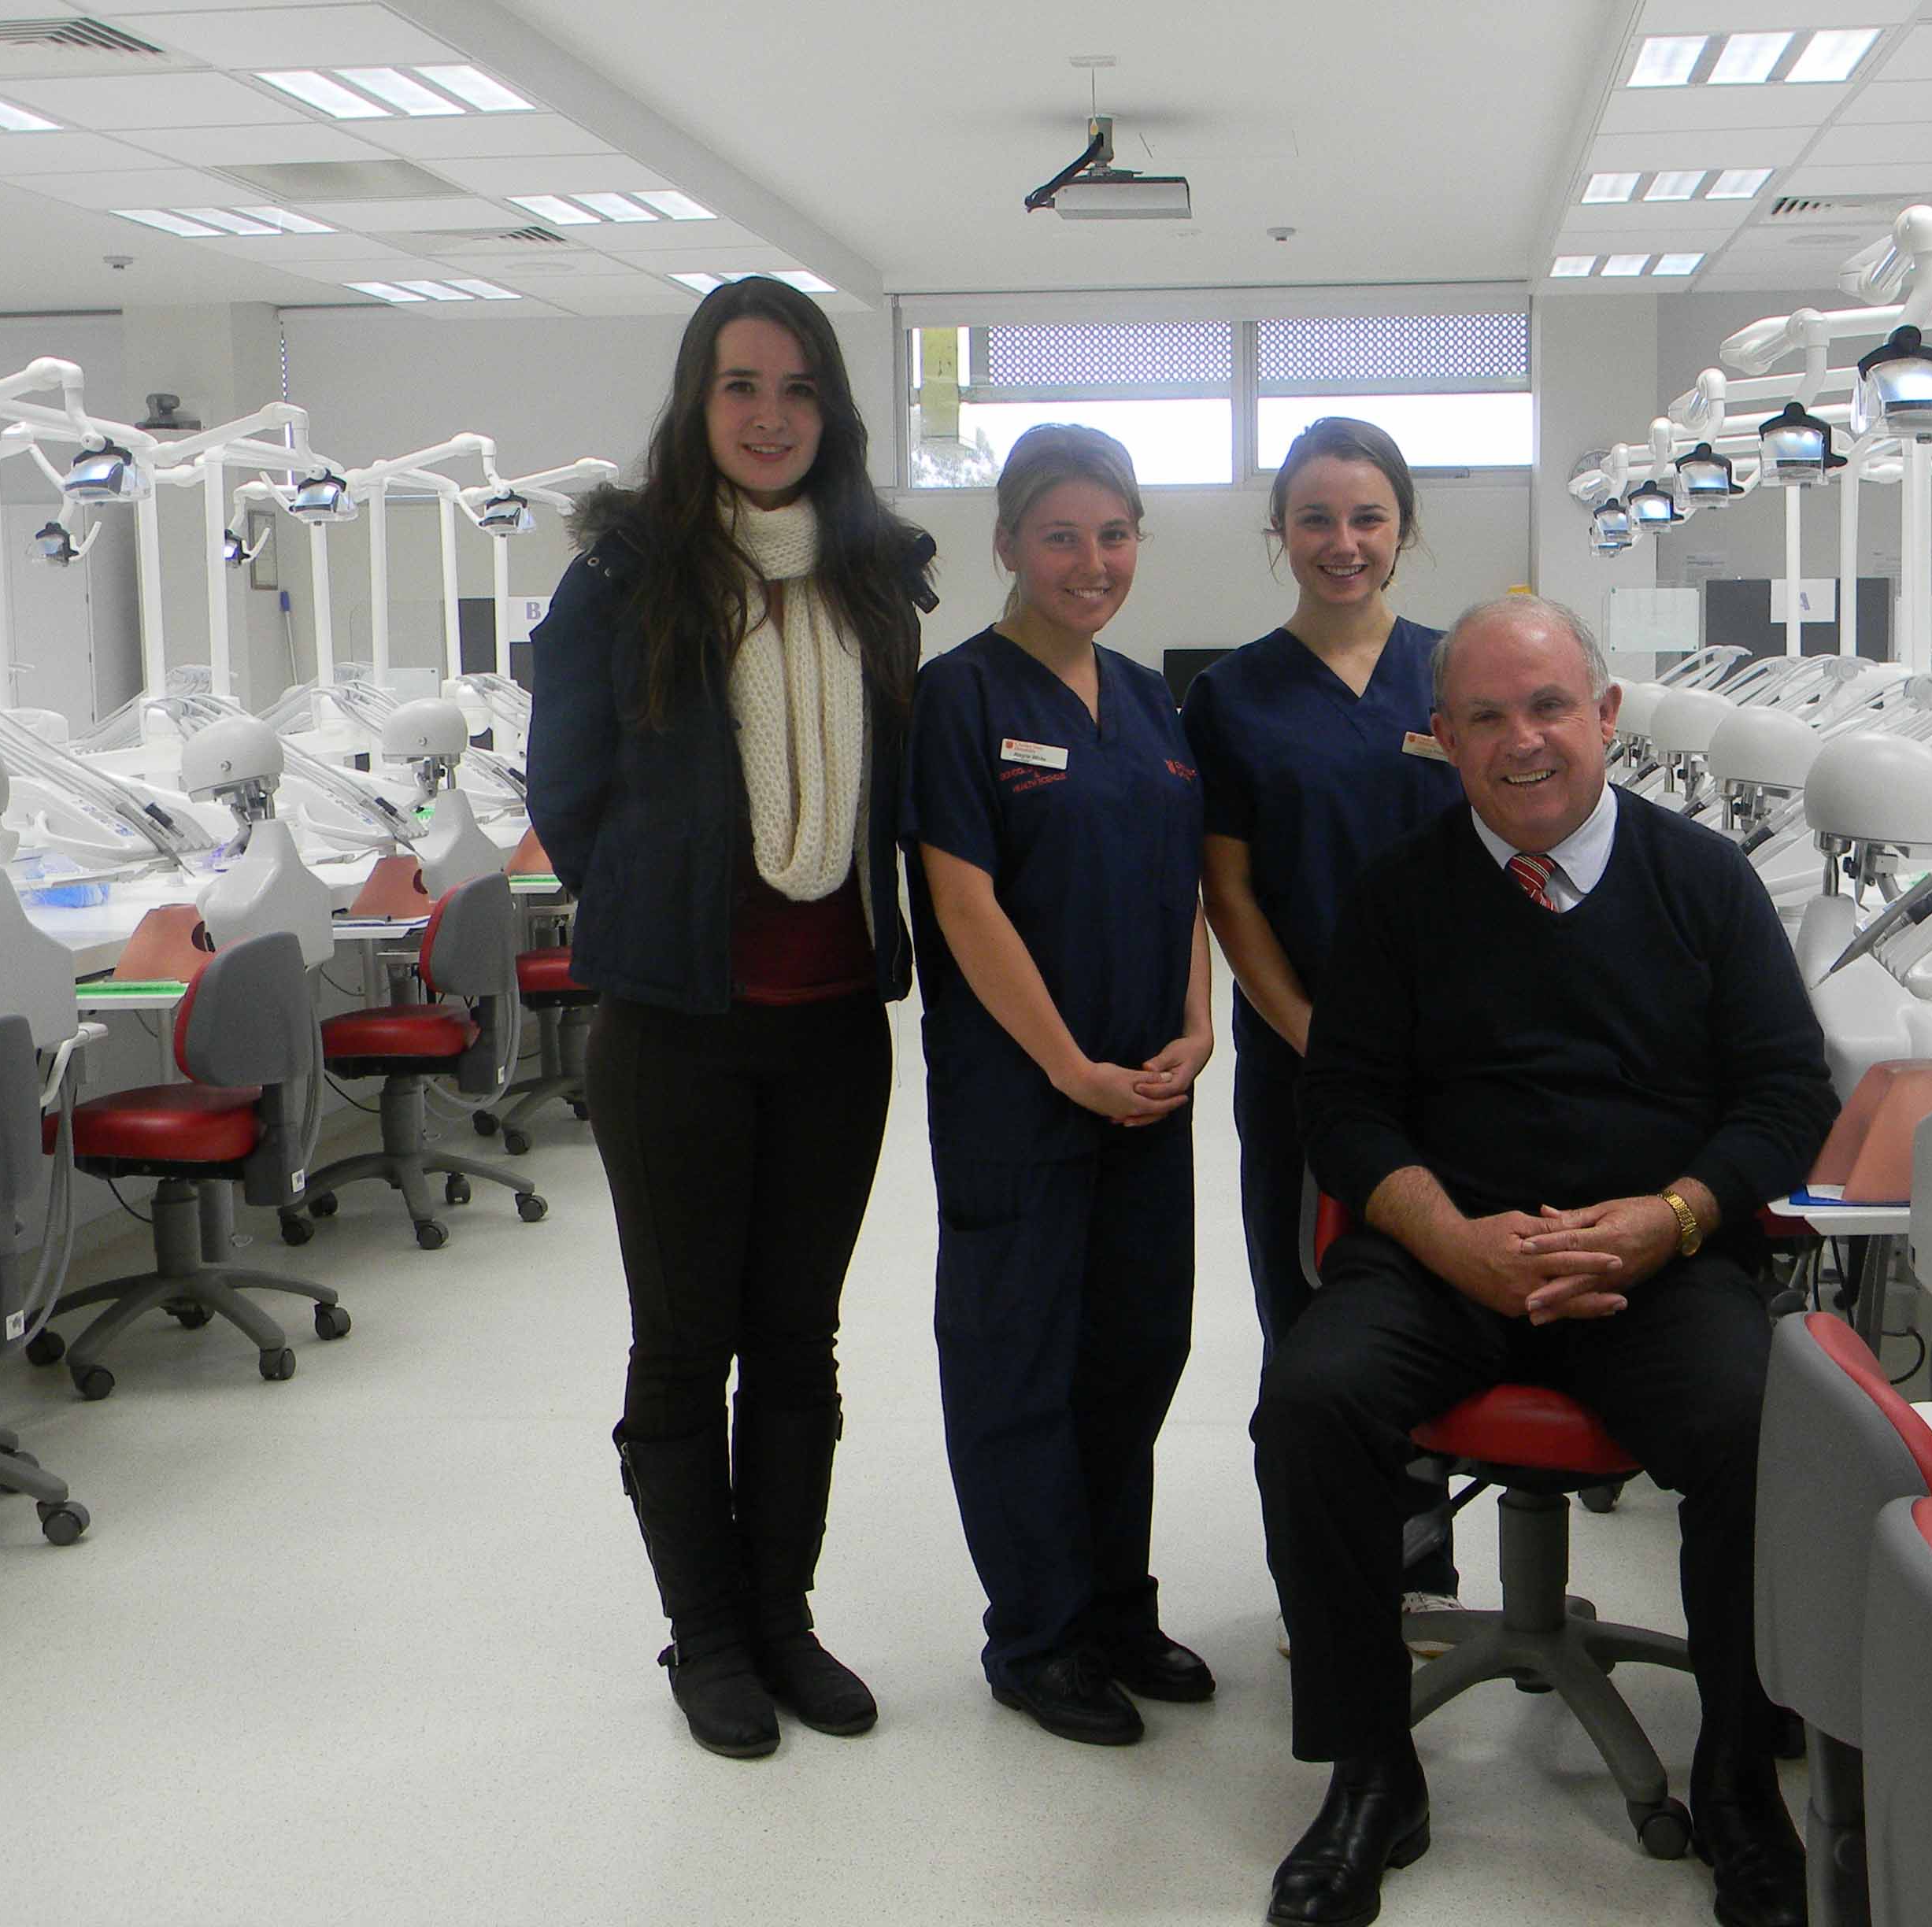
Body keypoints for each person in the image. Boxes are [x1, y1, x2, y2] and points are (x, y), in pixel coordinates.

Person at [1253, 596, 1838, 1927]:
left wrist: (1673, 1217)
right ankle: (1368, 1771)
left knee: (1758, 1427)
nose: (1524, 743)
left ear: (1608, 716)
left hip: (1653, 1260)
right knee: (1311, 1403)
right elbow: (1341, 1107)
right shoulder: (1398, 898)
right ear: (1443, 740)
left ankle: (1740, 1777)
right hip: (1449, 1260)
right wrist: (1454, 1242)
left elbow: (1783, 1096)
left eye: (1549, 707)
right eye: (1486, 718)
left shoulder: (1705, 883)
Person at [527, 276, 933, 1760]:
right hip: (678, 1028)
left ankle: (782, 1618)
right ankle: (705, 1636)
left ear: (832, 412)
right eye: (741, 386)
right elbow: (563, 796)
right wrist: (667, 912)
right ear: (697, 404)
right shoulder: (626, 577)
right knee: (686, 1340)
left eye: (799, 389)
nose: (770, 417)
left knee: (801, 1342)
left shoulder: (878, 579)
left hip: (835, 1026)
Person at [902, 423, 1216, 1748]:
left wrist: (1201, 1030)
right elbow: (963, 905)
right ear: (1009, 546)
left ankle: (1114, 1607)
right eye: (1062, 536)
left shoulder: (1150, 703)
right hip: (1025, 1097)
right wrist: (1068, 1069)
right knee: (1019, 1362)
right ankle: (1035, 1636)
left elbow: (1188, 885)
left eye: (1114, 534)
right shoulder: (960, 697)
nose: (1093, 563)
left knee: (1135, 1352)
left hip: (1150, 1092)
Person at [1180, 418, 1467, 1640]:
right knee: (1309, 1327)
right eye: (1315, 519)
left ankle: (1416, 1576)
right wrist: (1313, 1038)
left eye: (1366, 518)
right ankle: (1325, 1595)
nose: (1342, 544)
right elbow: (1228, 893)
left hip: (1456, 1073)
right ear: (1280, 534)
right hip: (1301, 1070)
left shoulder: (1457, 677)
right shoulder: (1232, 696)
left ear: (1403, 528)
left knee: (1435, 1311)